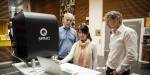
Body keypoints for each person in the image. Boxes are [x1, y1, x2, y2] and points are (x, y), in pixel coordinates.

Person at [104, 11, 138, 75]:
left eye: (108, 21)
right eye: (106, 22)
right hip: (109, 68)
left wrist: (118, 71)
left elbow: (132, 55)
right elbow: (112, 52)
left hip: (120, 72)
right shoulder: (113, 34)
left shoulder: (128, 32)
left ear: (118, 20)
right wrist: (107, 65)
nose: (107, 24)